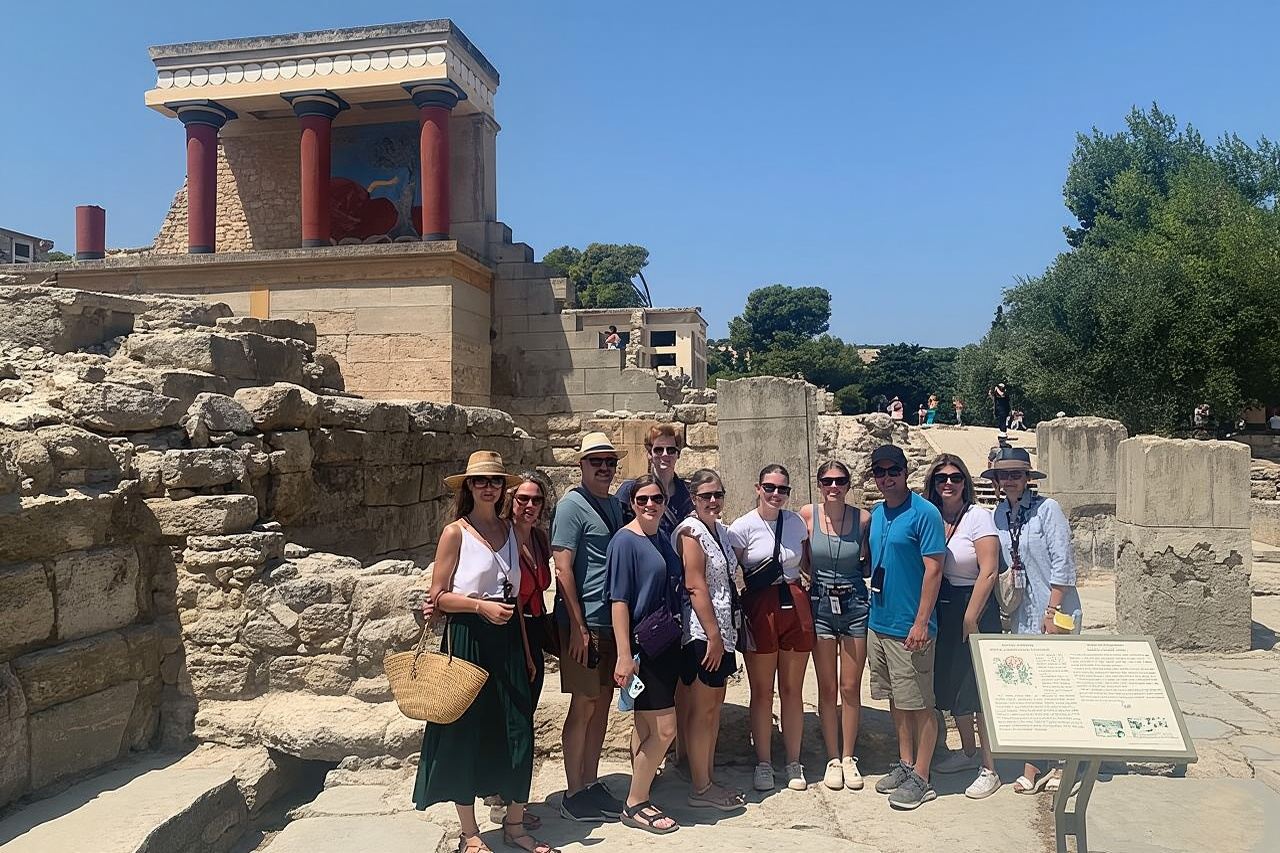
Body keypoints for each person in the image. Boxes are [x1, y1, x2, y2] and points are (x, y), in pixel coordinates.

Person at [413, 452, 559, 853]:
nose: (488, 486)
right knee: (464, 731)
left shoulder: (512, 530)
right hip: (468, 638)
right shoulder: (455, 533)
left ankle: (514, 824)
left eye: (495, 480)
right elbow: (438, 596)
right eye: (480, 481)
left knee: (518, 729)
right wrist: (480, 606)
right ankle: (470, 833)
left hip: (509, 638)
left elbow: (517, 595)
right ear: (469, 487)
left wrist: (527, 652)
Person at [985, 447, 1083, 795]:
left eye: (1016, 474)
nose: (1009, 480)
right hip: (1023, 613)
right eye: (1003, 475)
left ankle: (1061, 764)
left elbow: (1063, 564)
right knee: (1031, 690)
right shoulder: (1000, 514)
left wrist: (1052, 612)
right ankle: (1033, 763)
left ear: (1028, 477)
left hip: (1055, 610)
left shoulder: (1047, 510)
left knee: (1057, 689)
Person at [551, 432, 627, 822]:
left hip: (609, 622)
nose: (603, 468)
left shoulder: (615, 505)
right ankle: (573, 791)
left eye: (609, 462)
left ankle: (591, 782)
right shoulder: (571, 506)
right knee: (582, 706)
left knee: (600, 707)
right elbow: (563, 569)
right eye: (596, 461)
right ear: (581, 465)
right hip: (585, 624)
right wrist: (578, 627)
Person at [866, 445, 946, 810]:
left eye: (892, 470)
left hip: (910, 626)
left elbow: (934, 569)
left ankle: (923, 776)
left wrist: (921, 622)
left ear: (905, 471)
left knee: (921, 703)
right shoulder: (879, 513)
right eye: (879, 472)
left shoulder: (924, 513)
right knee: (898, 700)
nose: (886, 478)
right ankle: (905, 762)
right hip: (879, 621)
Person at [608, 475, 685, 834]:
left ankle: (642, 792)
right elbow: (619, 601)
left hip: (665, 642)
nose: (651, 505)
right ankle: (635, 802)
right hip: (643, 647)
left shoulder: (660, 537)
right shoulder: (625, 541)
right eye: (642, 500)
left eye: (656, 498)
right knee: (666, 729)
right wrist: (625, 655)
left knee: (646, 728)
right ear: (632, 503)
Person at [729, 465, 814, 792]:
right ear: (758, 488)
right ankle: (763, 762)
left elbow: (806, 564)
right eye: (770, 487)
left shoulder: (795, 523)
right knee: (762, 691)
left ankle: (793, 760)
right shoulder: (743, 527)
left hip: (794, 604)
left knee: (793, 691)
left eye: (783, 489)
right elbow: (732, 568)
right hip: (761, 608)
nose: (776, 494)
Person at [922, 454, 1003, 799]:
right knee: (953, 685)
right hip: (946, 605)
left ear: (964, 481)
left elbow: (989, 569)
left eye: (955, 477)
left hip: (976, 606)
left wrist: (971, 616)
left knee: (977, 689)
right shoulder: (934, 516)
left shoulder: (978, 517)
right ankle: (968, 753)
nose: (948, 484)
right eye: (941, 478)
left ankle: (990, 767)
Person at [673, 469, 745, 811]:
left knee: (713, 708)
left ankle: (707, 776)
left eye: (718, 494)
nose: (713, 501)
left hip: (723, 632)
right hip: (705, 633)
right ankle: (700, 788)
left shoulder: (719, 530)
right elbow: (695, 584)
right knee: (703, 711)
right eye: (706, 496)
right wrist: (714, 637)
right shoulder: (691, 533)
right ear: (693, 498)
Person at [799, 461, 870, 792]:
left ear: (848, 484)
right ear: (819, 484)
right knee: (827, 687)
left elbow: (868, 560)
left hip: (854, 603)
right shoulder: (808, 515)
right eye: (827, 480)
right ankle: (831, 757)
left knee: (850, 687)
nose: (833, 486)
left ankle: (848, 755)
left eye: (840, 480)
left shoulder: (863, 519)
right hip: (821, 604)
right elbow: (802, 560)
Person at [617, 425, 694, 540]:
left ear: (678, 454)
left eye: (671, 450)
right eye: (658, 450)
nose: (665, 454)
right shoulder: (630, 490)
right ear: (649, 454)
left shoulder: (689, 492)